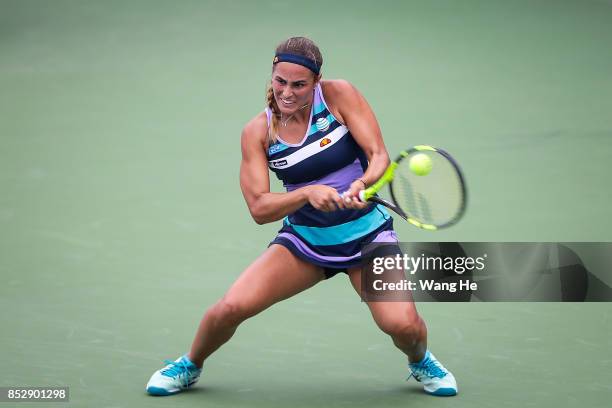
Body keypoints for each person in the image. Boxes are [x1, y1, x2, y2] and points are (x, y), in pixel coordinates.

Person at [146, 36, 457, 397]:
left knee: (404, 327)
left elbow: (379, 156)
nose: (287, 92)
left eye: (299, 84)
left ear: (316, 80)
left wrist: (362, 183)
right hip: (306, 243)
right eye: (280, 82)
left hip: (367, 238)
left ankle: (420, 360)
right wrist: (307, 194)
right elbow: (259, 209)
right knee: (231, 307)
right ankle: (190, 364)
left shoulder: (339, 95)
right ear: (272, 76)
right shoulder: (257, 133)